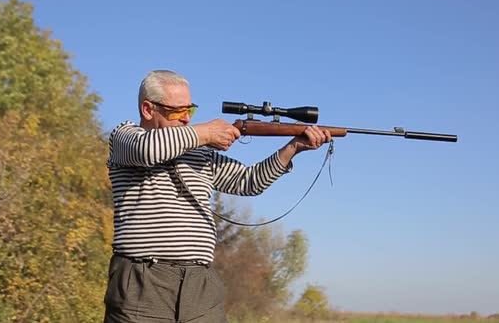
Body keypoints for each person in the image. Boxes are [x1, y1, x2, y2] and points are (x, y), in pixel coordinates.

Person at [103, 69, 331, 323]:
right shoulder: (126, 136)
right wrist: (209, 132)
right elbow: (149, 150)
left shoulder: (201, 154)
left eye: (191, 110)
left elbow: (249, 182)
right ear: (148, 109)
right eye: (178, 111)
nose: (187, 119)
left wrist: (292, 148)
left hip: (200, 284)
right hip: (142, 282)